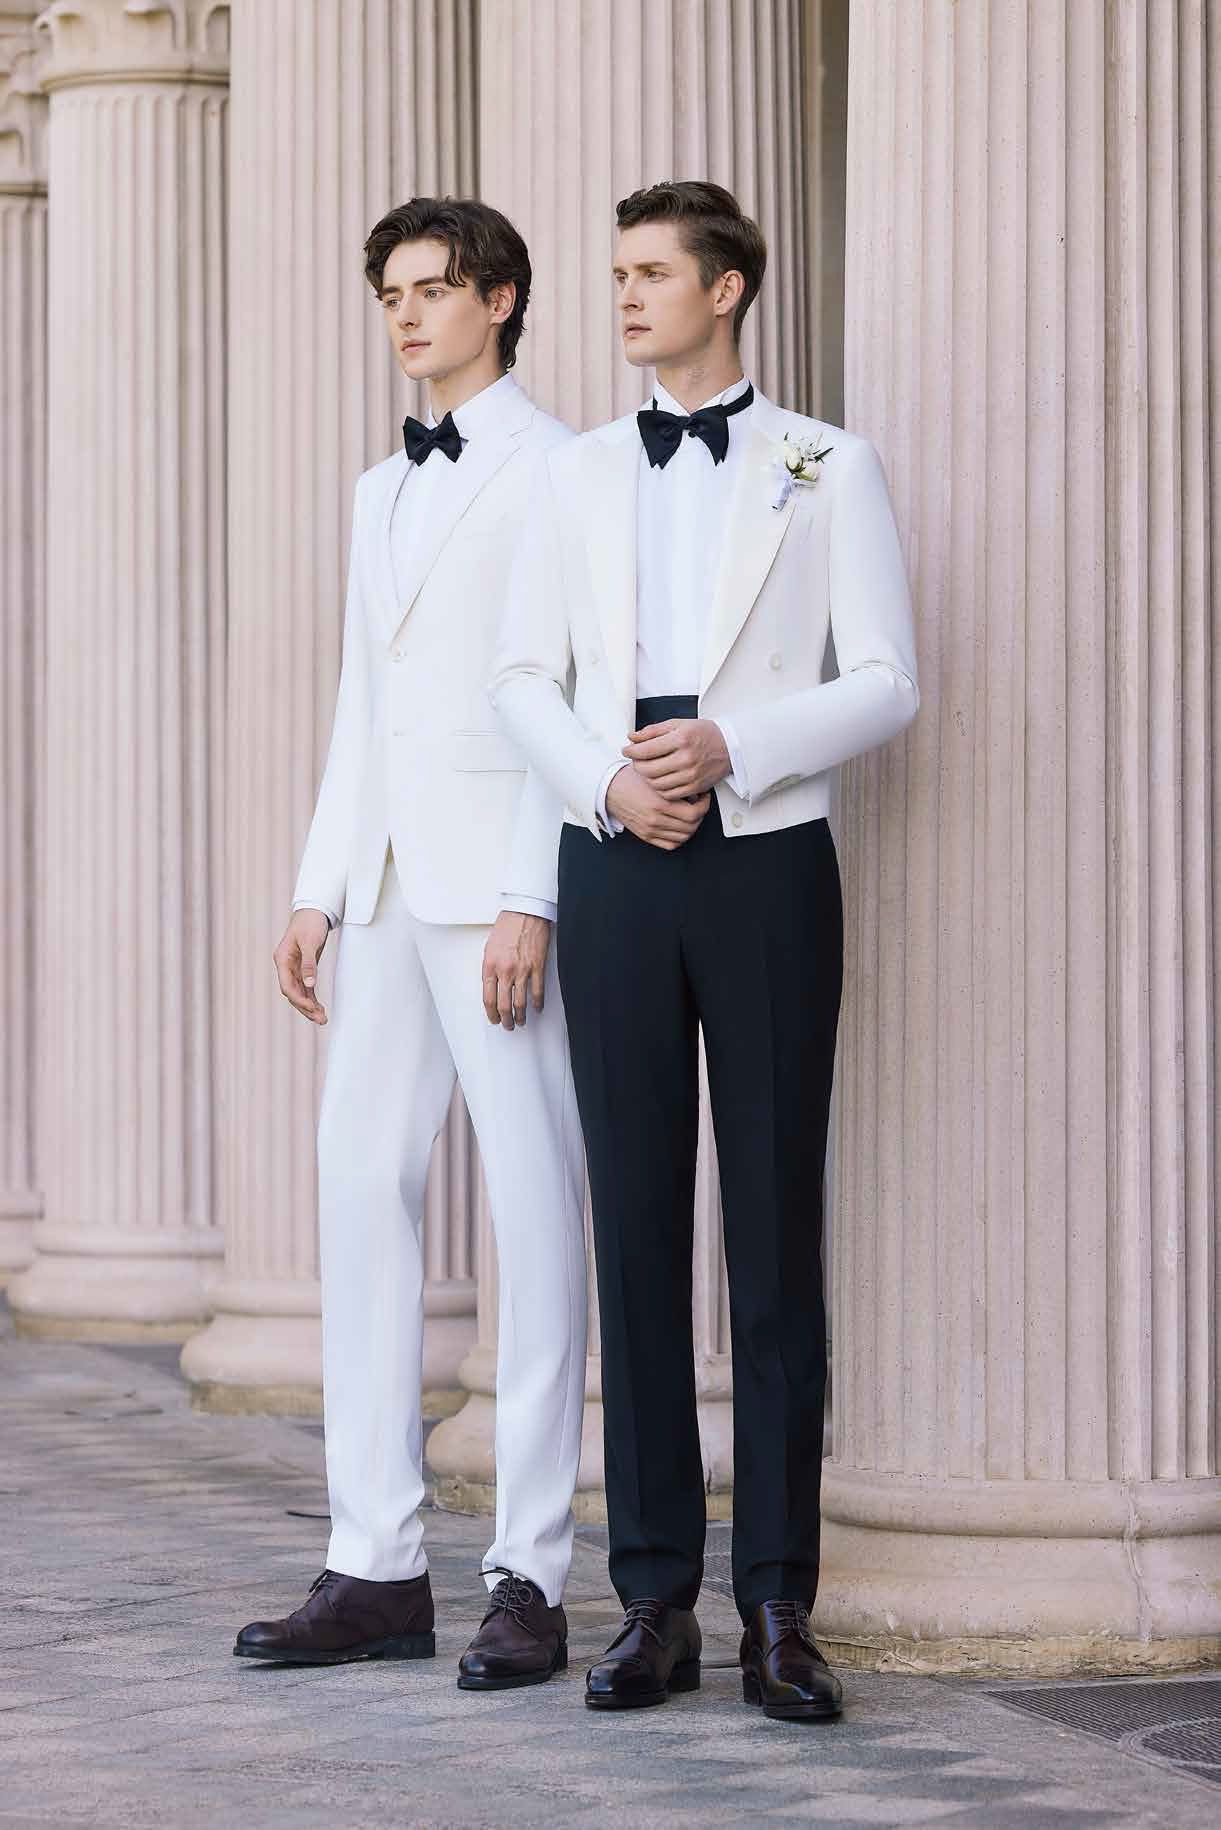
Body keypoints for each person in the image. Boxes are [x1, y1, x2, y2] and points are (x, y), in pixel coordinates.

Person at [491, 180, 918, 1721]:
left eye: (651, 272)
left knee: (773, 1236)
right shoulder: (578, 473)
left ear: (727, 288)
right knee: (635, 1233)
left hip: (764, 866)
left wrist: (733, 742)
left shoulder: (826, 462)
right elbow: (520, 675)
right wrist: (607, 781)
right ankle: (653, 1597)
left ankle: (778, 1609)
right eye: (614, 273)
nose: (623, 295)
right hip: (612, 862)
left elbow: (884, 678)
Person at [235, 198, 586, 1692]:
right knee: (357, 1186)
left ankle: (529, 1569)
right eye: (391, 293)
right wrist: (318, 882)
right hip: (379, 888)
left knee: (535, 1207)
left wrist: (536, 889)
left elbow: (566, 682)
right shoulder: (379, 481)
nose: (407, 314)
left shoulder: (561, 466)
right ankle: (373, 1558)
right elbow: (361, 701)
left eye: (434, 290)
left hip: (498, 891)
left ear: (500, 300)